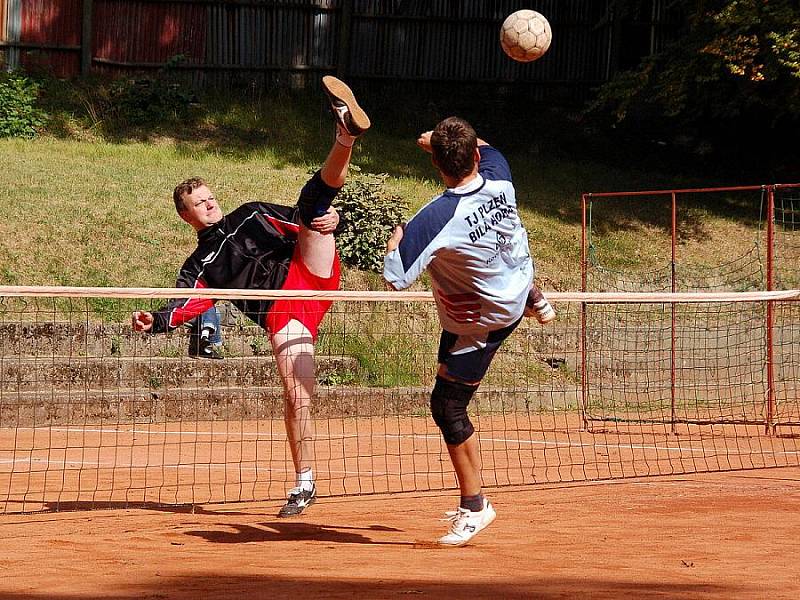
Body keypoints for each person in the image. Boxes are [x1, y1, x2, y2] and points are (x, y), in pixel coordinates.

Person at [132, 76, 370, 517]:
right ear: (186, 216)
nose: (209, 204)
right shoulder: (200, 265)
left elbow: (299, 220)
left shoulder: (250, 215)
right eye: (199, 203)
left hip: (307, 270)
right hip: (283, 313)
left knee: (315, 204)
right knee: (296, 391)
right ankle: (305, 483)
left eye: (210, 197)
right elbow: (192, 301)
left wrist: (329, 223)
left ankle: (345, 135)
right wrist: (159, 320)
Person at [383, 116, 552, 546]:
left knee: (447, 407)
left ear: (437, 163)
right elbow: (491, 150)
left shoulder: (437, 216)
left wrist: (397, 236)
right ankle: (531, 294)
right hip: (510, 287)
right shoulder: (500, 179)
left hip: (481, 321)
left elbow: (395, 275)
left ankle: (476, 506)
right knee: (499, 246)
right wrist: (443, 143)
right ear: (475, 155)